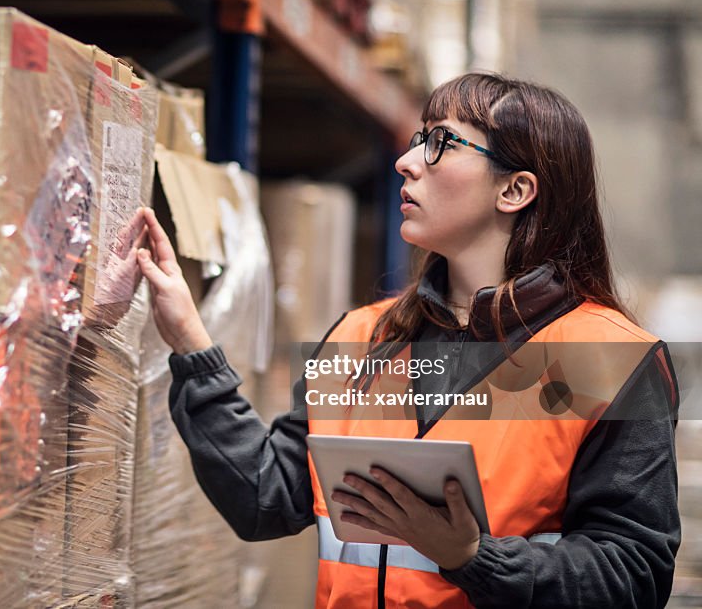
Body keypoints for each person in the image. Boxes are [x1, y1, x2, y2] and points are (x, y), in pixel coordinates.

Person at [135, 72, 681, 609]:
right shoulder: (361, 337)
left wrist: (471, 556)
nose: (407, 160)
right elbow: (263, 498)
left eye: (441, 141)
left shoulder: (611, 360)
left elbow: (632, 577)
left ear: (515, 190)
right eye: (420, 137)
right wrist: (190, 342)